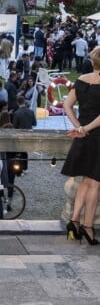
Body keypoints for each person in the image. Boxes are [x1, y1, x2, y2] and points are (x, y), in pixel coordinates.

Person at [61, 45, 100, 245]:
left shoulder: (82, 80)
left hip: (84, 136)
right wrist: (84, 129)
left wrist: (79, 127)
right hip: (96, 136)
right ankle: (88, 227)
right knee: (94, 184)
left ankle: (74, 222)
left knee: (85, 181)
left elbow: (67, 105)